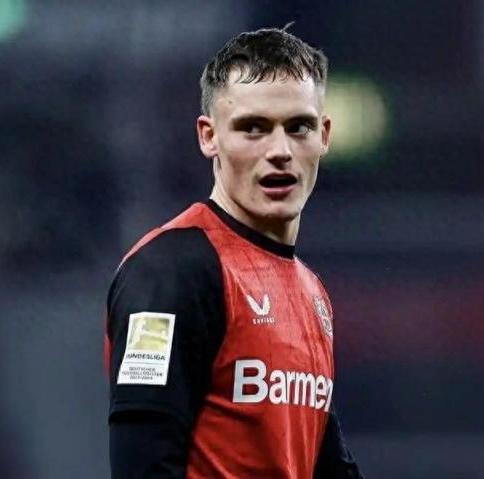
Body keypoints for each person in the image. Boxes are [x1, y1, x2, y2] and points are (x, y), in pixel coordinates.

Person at [106, 26, 364, 478]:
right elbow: (144, 463)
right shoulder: (169, 273)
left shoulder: (312, 294)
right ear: (209, 137)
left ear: (324, 135)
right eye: (253, 128)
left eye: (298, 127)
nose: (280, 151)